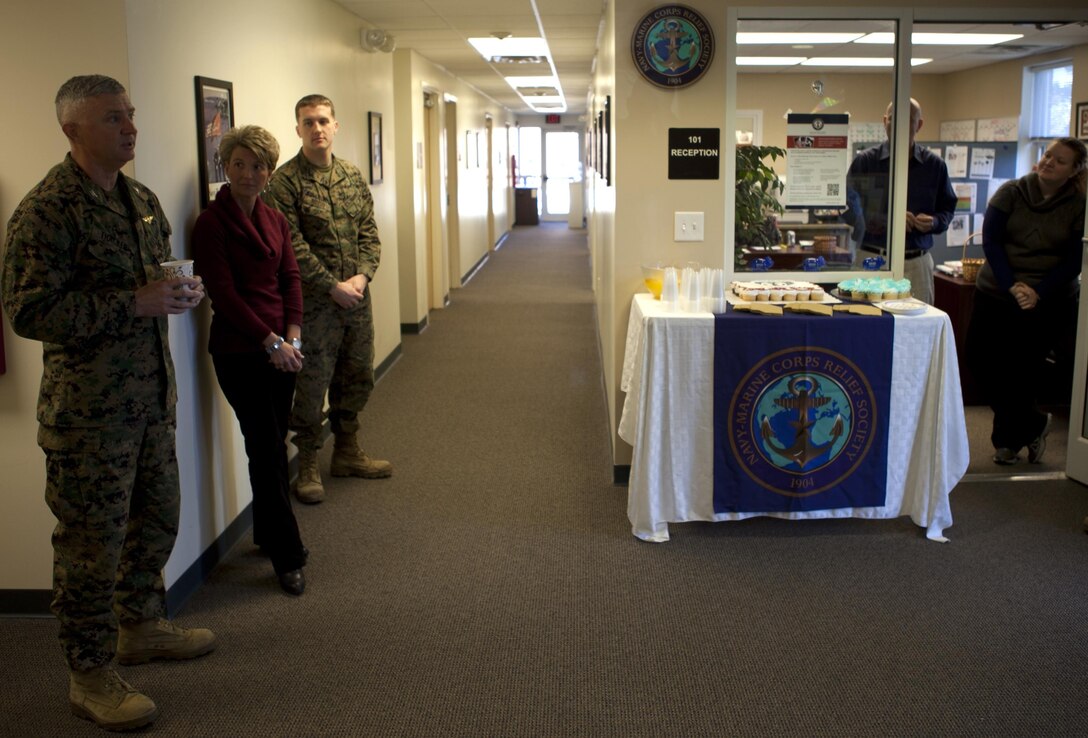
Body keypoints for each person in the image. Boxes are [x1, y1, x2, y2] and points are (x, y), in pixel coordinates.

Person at [1, 74, 216, 731]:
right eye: (113, 118)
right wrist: (135, 302)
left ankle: (142, 626)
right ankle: (89, 675)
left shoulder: (141, 199)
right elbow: (28, 310)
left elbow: (153, 280)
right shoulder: (48, 210)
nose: (130, 128)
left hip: (150, 400)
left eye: (131, 115)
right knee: (90, 548)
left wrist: (180, 290)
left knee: (156, 520)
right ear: (73, 130)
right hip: (88, 417)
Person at [192, 125, 309, 596]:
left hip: (284, 350)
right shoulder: (211, 224)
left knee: (271, 442)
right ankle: (288, 554)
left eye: (257, 165)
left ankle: (265, 531)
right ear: (225, 167)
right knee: (268, 449)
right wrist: (270, 342)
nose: (247, 173)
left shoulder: (276, 220)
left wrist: (293, 338)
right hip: (241, 352)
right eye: (238, 163)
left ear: (269, 171)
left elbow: (291, 279)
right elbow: (224, 295)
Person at [263, 94, 392, 504]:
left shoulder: (352, 177)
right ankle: (309, 464)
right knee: (310, 382)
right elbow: (292, 248)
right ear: (297, 129)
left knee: (357, 375)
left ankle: (348, 451)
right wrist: (331, 285)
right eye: (308, 122)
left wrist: (362, 275)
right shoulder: (283, 184)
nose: (317, 128)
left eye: (323, 121)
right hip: (313, 307)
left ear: (336, 126)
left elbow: (369, 233)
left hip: (355, 302)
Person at [966, 137, 1086, 466]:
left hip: (1048, 299)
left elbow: (1075, 258)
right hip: (997, 291)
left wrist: (1038, 291)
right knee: (979, 360)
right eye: (1048, 155)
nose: (1049, 162)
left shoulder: (1078, 204)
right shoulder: (1012, 192)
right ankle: (1034, 424)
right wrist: (1013, 286)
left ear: (1074, 170)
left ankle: (1007, 442)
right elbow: (991, 242)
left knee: (1021, 371)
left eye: (1060, 161)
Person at [847, 98, 957, 305]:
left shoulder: (935, 166)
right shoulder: (865, 162)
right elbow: (848, 210)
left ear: (919, 125)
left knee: (919, 326)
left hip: (917, 262)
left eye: (907, 119)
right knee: (865, 322)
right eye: (892, 119)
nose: (898, 125)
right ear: (884, 121)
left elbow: (947, 209)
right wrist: (888, 221)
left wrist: (934, 222)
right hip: (872, 258)